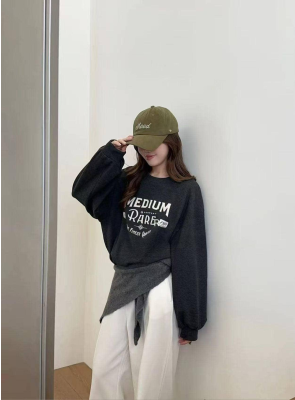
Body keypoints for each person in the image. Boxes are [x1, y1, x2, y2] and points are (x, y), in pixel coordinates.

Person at [72, 106, 208, 399]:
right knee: (106, 369)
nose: (147, 151)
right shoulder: (127, 179)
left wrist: (190, 321)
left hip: (160, 288)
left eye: (154, 143)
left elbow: (190, 253)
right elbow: (83, 192)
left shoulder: (186, 190)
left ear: (171, 141)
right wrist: (111, 154)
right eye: (142, 144)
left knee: (151, 378)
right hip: (124, 282)